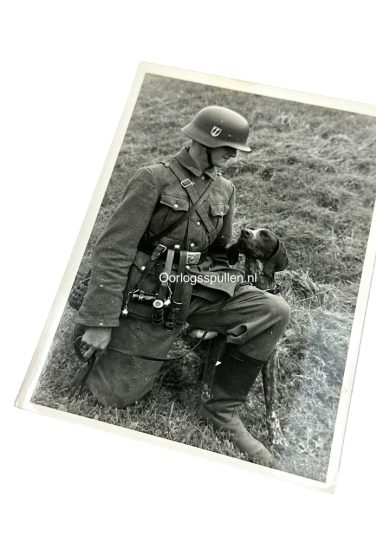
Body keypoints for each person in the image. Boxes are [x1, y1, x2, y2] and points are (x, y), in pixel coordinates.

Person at [76, 105, 290, 465]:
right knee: (112, 397)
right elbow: (113, 250)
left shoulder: (225, 189)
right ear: (202, 141)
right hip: (148, 292)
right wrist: (100, 321)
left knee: (272, 310)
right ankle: (93, 339)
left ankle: (221, 412)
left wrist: (232, 287)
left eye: (236, 150)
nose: (233, 155)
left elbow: (220, 255)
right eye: (227, 148)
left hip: (195, 286)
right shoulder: (153, 179)